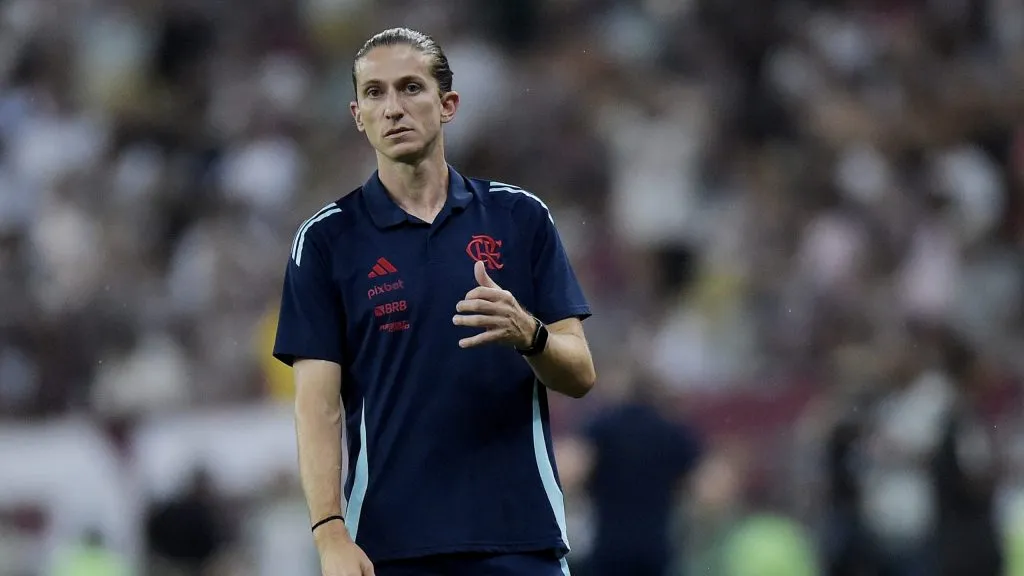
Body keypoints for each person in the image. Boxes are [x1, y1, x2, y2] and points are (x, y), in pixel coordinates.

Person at [273, 27, 596, 576]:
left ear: (448, 105)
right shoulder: (328, 241)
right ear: (357, 115)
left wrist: (531, 335)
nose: (393, 108)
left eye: (410, 88)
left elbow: (580, 374)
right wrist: (329, 534)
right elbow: (317, 406)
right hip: (391, 548)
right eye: (375, 93)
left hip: (521, 540)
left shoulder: (520, 218)